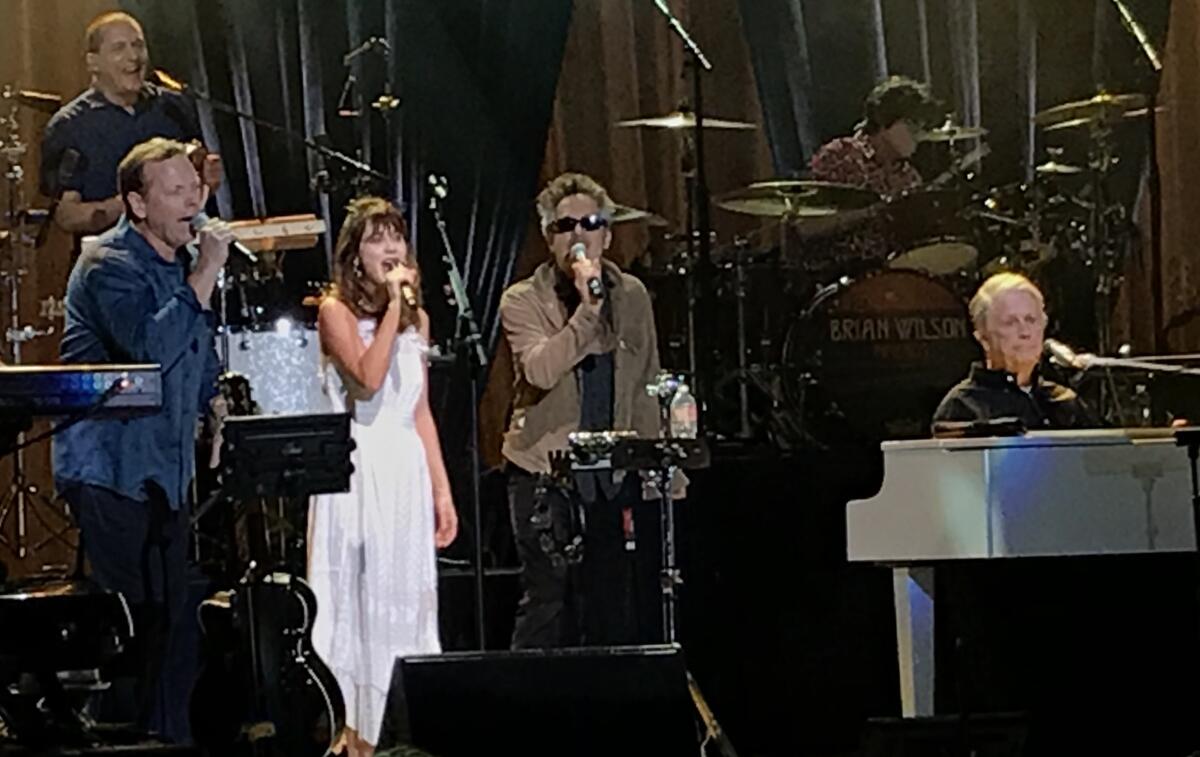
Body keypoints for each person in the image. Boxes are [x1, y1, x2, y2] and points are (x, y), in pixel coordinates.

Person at [53, 137, 231, 739]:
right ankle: (114, 739)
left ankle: (165, 741)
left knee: (173, 626)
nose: (193, 202)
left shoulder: (180, 267)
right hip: (111, 471)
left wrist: (213, 398)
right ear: (137, 203)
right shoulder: (108, 265)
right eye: (176, 191)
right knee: (129, 626)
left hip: (165, 474)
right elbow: (148, 354)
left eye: (196, 188)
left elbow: (194, 350)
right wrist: (205, 271)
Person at [499, 172, 676, 650]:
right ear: (549, 237)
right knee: (550, 601)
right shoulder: (522, 300)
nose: (579, 234)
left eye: (590, 223)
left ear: (608, 234)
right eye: (566, 226)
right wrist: (588, 307)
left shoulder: (634, 295)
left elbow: (645, 379)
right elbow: (540, 370)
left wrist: (659, 467)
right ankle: (525, 708)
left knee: (610, 599)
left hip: (611, 471)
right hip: (545, 471)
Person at [308, 196, 458, 757]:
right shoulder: (334, 311)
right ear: (355, 253)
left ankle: (405, 731)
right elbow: (367, 382)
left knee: (405, 602)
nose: (390, 248)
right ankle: (351, 736)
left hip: (404, 468)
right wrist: (395, 308)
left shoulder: (419, 318)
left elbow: (418, 408)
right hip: (355, 469)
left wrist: (442, 491)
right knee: (353, 604)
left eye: (396, 236)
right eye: (376, 239)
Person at [39, 11, 221, 241]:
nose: (133, 56)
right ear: (93, 62)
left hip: (181, 261)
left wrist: (206, 183)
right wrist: (127, 206)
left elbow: (195, 183)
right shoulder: (69, 125)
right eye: (119, 48)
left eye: (138, 45)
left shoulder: (173, 107)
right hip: (113, 263)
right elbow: (65, 215)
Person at [806, 75, 944, 269]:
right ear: (883, 120)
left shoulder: (909, 176)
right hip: (837, 274)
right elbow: (807, 226)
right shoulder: (840, 156)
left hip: (890, 276)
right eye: (912, 125)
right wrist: (871, 211)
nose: (919, 135)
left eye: (922, 128)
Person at [933, 272, 1094, 430]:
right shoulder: (963, 406)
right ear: (983, 337)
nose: (1025, 332)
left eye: (1031, 320)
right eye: (1010, 322)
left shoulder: (1065, 402)